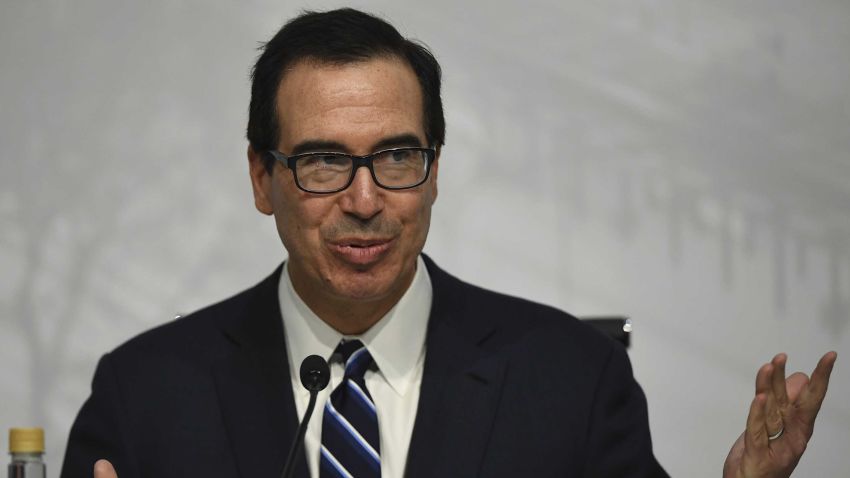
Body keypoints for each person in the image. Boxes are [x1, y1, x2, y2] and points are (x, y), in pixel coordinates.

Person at [60, 8, 836, 478]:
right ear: (262, 179)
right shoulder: (148, 395)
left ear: (434, 171)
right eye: (326, 161)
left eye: (397, 157)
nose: (366, 201)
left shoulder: (569, 379)